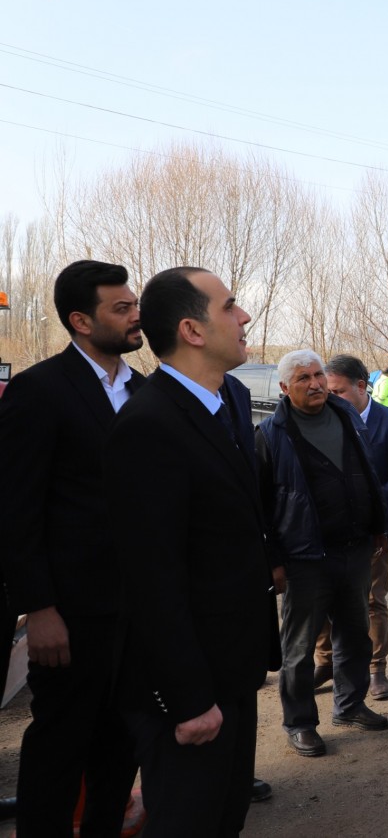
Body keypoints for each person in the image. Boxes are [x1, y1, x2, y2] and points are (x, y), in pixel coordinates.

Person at [104, 266, 279, 837]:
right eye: (230, 306)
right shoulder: (149, 426)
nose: (244, 315)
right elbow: (150, 579)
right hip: (190, 688)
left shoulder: (222, 401)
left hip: (230, 669)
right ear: (193, 331)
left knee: (223, 819)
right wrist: (187, 699)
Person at [0, 260, 145, 837]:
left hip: (135, 612)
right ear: (81, 321)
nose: (137, 316)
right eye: (123, 308)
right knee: (60, 749)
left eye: (134, 305)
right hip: (70, 614)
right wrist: (39, 608)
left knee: (120, 745)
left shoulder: (145, 390)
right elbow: (16, 510)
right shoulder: (39, 391)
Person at [256, 350, 388, 758]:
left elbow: (369, 472)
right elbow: (260, 505)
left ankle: (349, 706)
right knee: (298, 649)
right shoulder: (269, 435)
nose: (315, 383)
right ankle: (300, 723)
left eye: (318, 375)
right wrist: (273, 560)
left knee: (354, 633)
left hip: (354, 550)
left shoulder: (346, 415)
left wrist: (378, 525)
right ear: (284, 388)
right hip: (304, 559)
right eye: (303, 378)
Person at [313, 355, 388, 701]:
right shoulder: (321, 421)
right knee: (323, 596)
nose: (330, 398)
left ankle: (376, 669)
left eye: (338, 391)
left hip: (374, 529)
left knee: (372, 599)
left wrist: (369, 504)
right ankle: (324, 662)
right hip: (328, 529)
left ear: (361, 386)